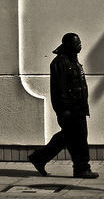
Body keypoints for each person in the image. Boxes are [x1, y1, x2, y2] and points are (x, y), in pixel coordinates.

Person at [28, 32, 98, 178]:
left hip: (78, 108)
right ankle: (82, 169)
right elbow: (59, 89)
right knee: (77, 139)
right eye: (76, 42)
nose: (80, 45)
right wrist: (64, 110)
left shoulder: (73, 61)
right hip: (70, 110)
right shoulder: (60, 62)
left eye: (79, 42)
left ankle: (39, 158)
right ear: (68, 44)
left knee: (69, 138)